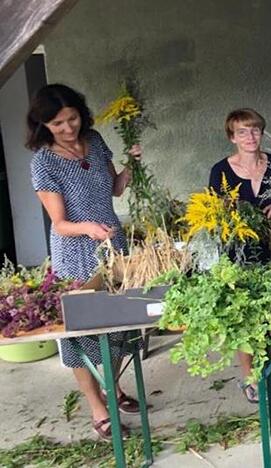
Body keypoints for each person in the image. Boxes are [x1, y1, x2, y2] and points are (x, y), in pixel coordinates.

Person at [28, 84, 141, 440]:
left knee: (122, 323)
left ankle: (114, 388)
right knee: (82, 333)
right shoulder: (43, 162)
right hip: (76, 253)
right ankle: (97, 408)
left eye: (72, 118)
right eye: (57, 123)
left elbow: (115, 188)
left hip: (112, 244)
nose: (68, 128)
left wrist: (131, 166)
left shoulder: (93, 139)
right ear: (43, 124)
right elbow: (60, 223)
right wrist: (89, 228)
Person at [208, 108, 271, 403]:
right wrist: (235, 217)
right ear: (232, 137)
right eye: (243, 132)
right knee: (245, 316)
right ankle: (249, 375)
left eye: (256, 130)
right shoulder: (220, 171)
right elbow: (216, 215)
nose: (251, 137)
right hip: (239, 253)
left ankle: (269, 365)